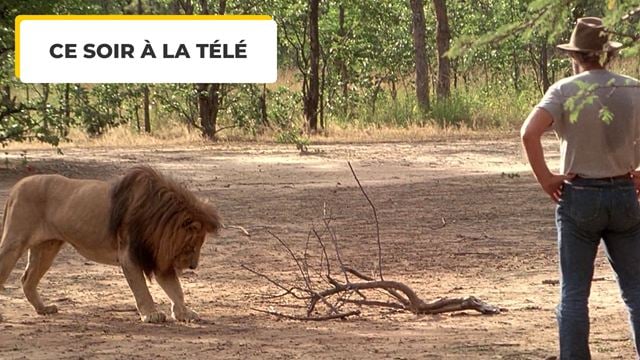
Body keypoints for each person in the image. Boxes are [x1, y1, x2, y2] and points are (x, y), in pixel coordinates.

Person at [521, 17, 640, 359]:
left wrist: (546, 178)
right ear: (608, 55)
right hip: (624, 195)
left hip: (579, 195)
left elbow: (529, 133)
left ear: (577, 55)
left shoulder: (564, 90)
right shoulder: (633, 88)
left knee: (574, 294)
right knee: (635, 291)